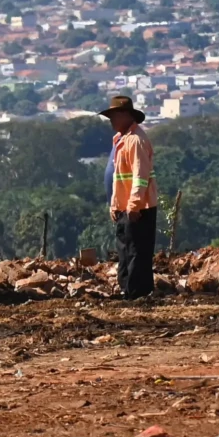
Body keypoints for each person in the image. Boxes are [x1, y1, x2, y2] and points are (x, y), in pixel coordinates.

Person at [100, 95, 157, 299]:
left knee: (136, 252)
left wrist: (134, 205)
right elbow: (117, 178)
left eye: (115, 116)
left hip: (138, 208)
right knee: (124, 250)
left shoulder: (136, 141)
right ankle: (127, 289)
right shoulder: (120, 140)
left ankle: (137, 293)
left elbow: (140, 177)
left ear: (126, 115)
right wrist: (115, 205)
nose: (112, 121)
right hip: (124, 206)